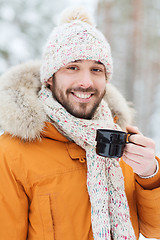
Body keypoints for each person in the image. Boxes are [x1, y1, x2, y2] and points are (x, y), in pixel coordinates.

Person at [0, 7, 159, 240]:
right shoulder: (11, 153)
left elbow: (154, 229)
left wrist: (149, 174)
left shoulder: (119, 141)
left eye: (96, 70)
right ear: (50, 78)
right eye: (72, 67)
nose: (86, 82)